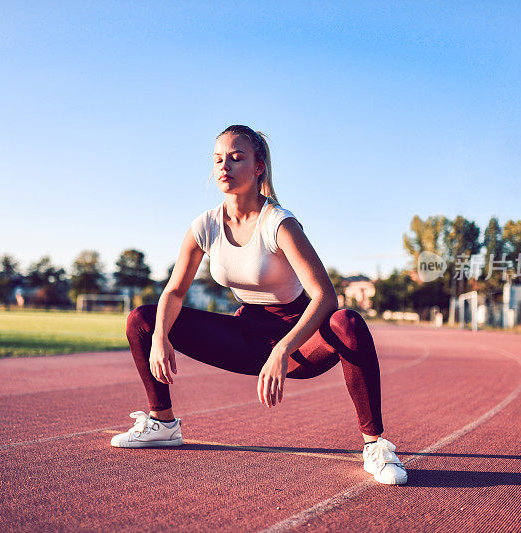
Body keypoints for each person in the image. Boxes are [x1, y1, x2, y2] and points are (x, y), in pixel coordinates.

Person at [110, 125, 407, 485]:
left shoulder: (279, 223)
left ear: (258, 167)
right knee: (142, 317)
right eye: (219, 159)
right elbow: (173, 292)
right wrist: (159, 336)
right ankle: (162, 423)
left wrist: (283, 349)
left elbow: (325, 296)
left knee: (348, 321)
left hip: (298, 344)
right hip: (246, 336)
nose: (225, 166)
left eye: (237, 158)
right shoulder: (205, 226)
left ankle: (375, 446)